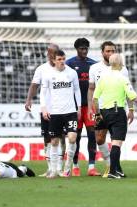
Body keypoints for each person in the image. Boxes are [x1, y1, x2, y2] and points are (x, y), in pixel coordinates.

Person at [92, 53, 137, 179]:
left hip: (104, 113)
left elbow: (94, 99)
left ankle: (118, 170)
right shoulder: (122, 78)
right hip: (117, 112)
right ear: (121, 63)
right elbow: (133, 97)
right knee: (116, 143)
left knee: (114, 141)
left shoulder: (103, 78)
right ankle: (112, 171)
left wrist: (97, 114)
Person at [88, 41, 131, 178]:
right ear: (102, 53)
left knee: (116, 139)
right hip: (100, 109)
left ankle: (113, 167)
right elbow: (91, 88)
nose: (111, 53)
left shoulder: (123, 69)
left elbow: (127, 89)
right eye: (108, 51)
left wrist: (131, 108)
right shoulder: (94, 68)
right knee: (99, 139)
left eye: (113, 51)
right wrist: (91, 107)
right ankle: (113, 166)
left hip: (118, 108)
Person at [24, 43, 66, 177]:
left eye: (55, 52)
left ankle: (60, 167)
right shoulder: (41, 69)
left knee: (62, 138)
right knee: (47, 138)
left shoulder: (66, 69)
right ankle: (50, 168)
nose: (52, 54)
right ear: (48, 53)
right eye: (50, 52)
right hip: (47, 109)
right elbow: (34, 85)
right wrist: (29, 100)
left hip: (63, 109)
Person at [40, 50, 81, 178]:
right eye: (59, 59)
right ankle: (53, 170)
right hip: (55, 112)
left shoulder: (72, 73)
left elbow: (77, 90)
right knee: (54, 142)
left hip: (70, 112)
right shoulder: (47, 74)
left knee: (73, 138)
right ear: (53, 60)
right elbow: (43, 93)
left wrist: (78, 107)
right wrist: (44, 108)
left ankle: (67, 168)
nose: (62, 61)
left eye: (63, 59)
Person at [65, 38, 99, 176]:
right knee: (76, 136)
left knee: (92, 135)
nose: (84, 51)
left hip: (90, 106)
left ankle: (91, 167)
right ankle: (75, 165)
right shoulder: (69, 64)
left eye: (86, 48)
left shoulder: (93, 64)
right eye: (81, 49)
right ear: (76, 49)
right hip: (75, 107)